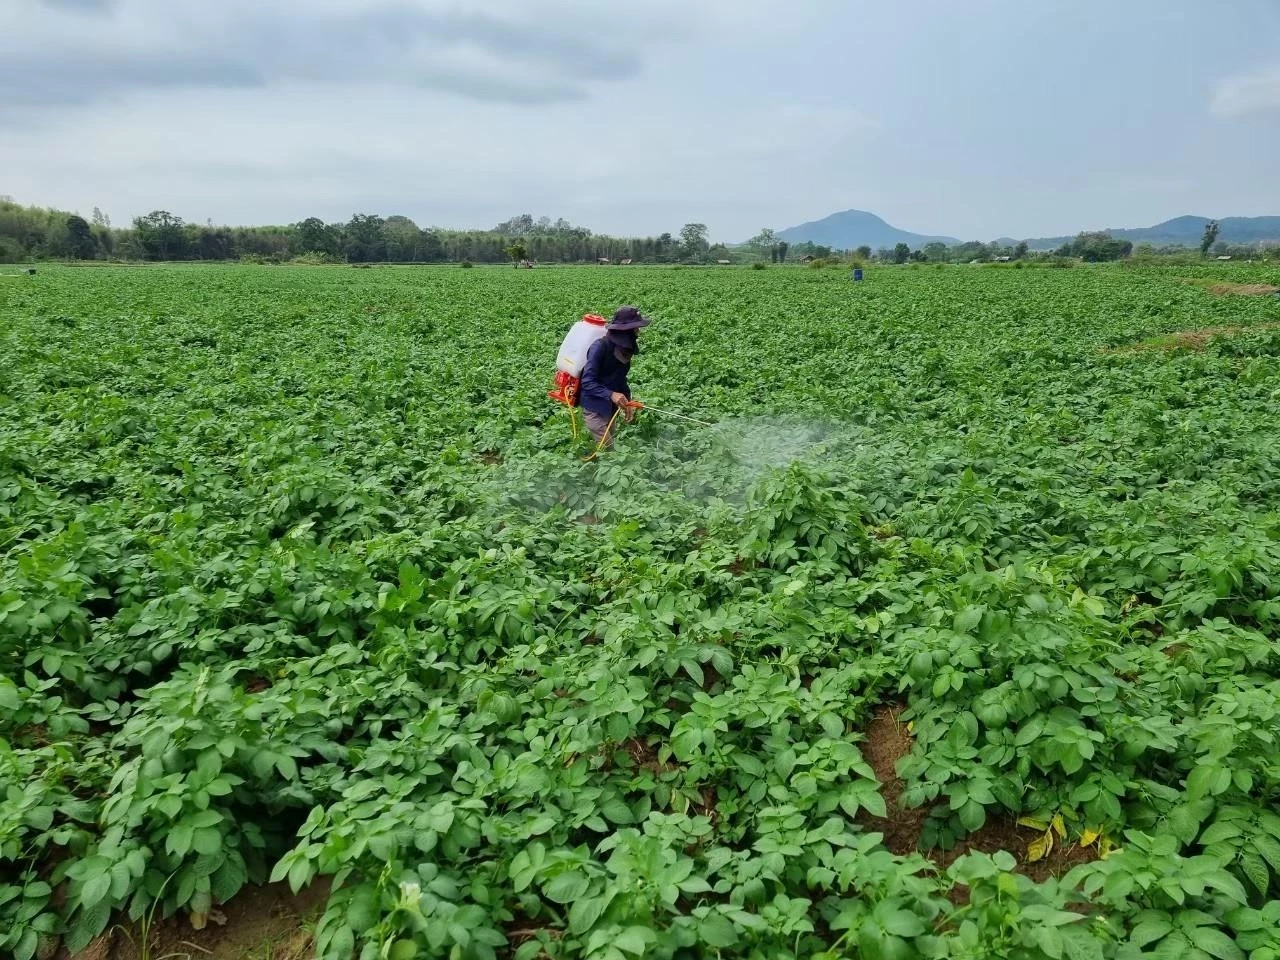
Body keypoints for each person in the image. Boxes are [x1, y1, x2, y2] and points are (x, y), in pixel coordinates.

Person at [578, 305, 651, 446]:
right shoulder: (600, 347)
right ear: (625, 330)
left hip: (611, 407)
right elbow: (587, 382)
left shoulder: (624, 350)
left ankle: (593, 456)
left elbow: (620, 379)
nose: (638, 332)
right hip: (594, 408)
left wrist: (628, 402)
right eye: (636, 328)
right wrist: (611, 394)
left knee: (607, 446)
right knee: (609, 449)